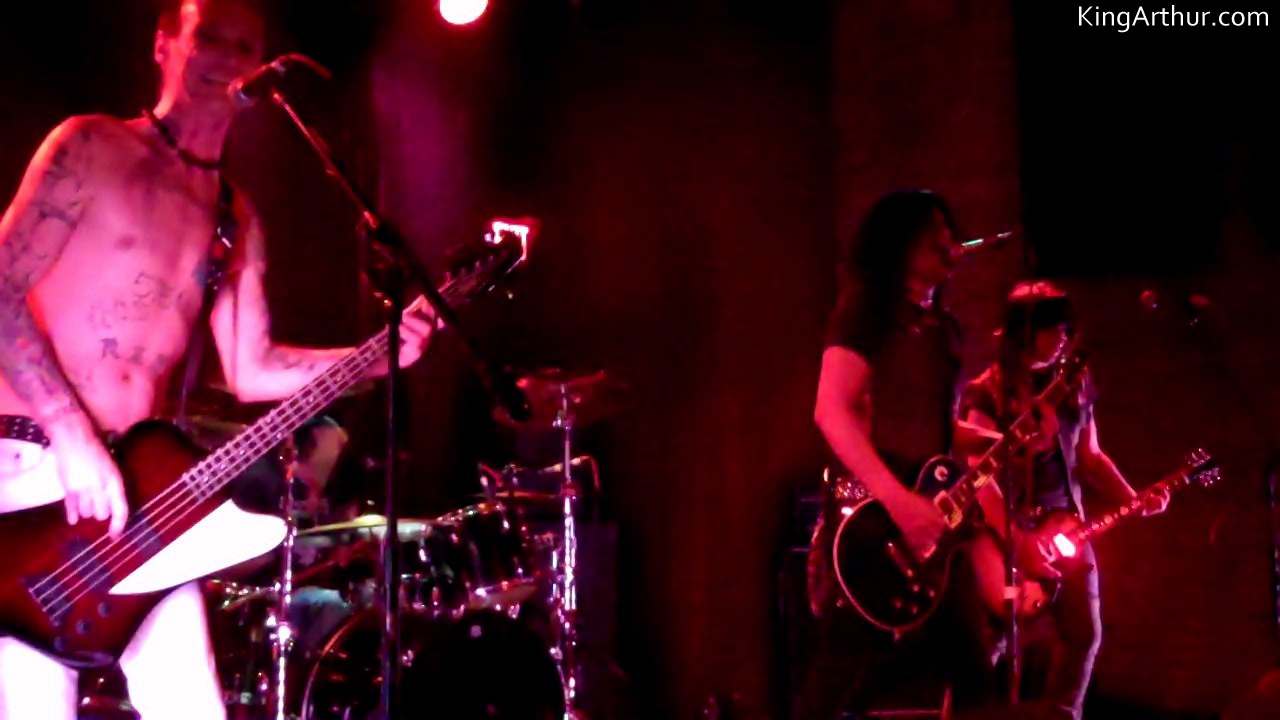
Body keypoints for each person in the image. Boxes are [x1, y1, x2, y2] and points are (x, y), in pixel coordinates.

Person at [0, 1, 435, 717]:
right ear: (164, 44)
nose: (228, 58)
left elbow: (251, 370)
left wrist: (373, 358)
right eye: (208, 37)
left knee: (192, 704)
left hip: (138, 494)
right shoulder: (91, 145)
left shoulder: (234, 215)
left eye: (244, 46)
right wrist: (72, 435)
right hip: (37, 461)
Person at [792, 189, 1006, 719]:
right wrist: (897, 501)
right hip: (870, 519)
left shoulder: (942, 329)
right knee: (841, 674)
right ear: (899, 242)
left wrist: (1006, 442)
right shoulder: (866, 308)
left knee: (974, 674)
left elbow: (934, 429)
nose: (948, 242)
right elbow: (830, 409)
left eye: (950, 232)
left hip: (932, 518)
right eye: (934, 232)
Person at [956, 280, 1169, 720]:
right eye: (1051, 328)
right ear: (1025, 330)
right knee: (989, 647)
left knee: (1084, 635)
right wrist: (1016, 540)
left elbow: (1090, 456)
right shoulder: (986, 391)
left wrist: (1133, 498)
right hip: (1006, 534)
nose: (1062, 337)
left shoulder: (1075, 383)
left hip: (1069, 527)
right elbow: (979, 478)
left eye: (1065, 329)